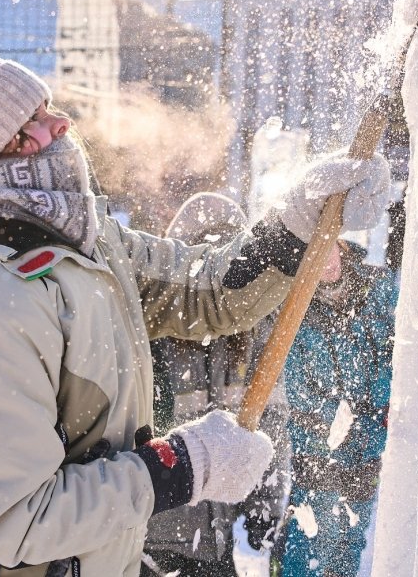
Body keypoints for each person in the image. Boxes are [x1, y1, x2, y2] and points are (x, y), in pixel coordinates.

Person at [0, 48, 391, 577]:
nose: (62, 122)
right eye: (38, 119)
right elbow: (19, 521)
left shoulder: (88, 243)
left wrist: (295, 223)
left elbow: (204, 291)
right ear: (2, 149)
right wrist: (184, 468)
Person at [142, 193, 290, 577]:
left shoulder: (258, 338)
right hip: (151, 535)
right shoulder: (150, 335)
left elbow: (271, 429)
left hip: (212, 539)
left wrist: (267, 506)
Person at [280, 238, 399, 577]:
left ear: (343, 246)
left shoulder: (378, 289)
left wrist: (368, 414)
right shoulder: (295, 306)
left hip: (368, 439)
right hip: (316, 441)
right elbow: (296, 381)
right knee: (311, 532)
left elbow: (395, 356)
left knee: (351, 535)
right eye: (313, 255)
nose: (324, 262)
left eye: (328, 248)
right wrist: (336, 417)